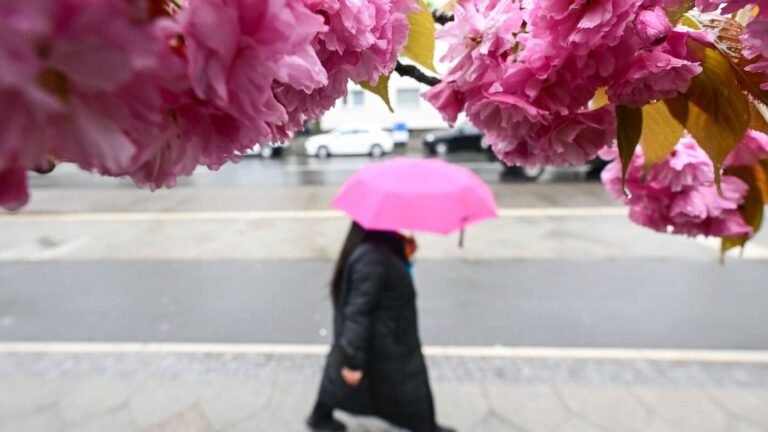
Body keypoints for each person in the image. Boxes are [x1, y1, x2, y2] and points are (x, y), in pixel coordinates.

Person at [307, 222, 455, 432]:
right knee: (411, 388)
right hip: (386, 339)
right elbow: (358, 312)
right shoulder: (372, 258)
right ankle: (426, 427)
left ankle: (319, 416)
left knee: (339, 376)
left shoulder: (377, 244)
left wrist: (403, 250)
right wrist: (354, 361)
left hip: (386, 333)